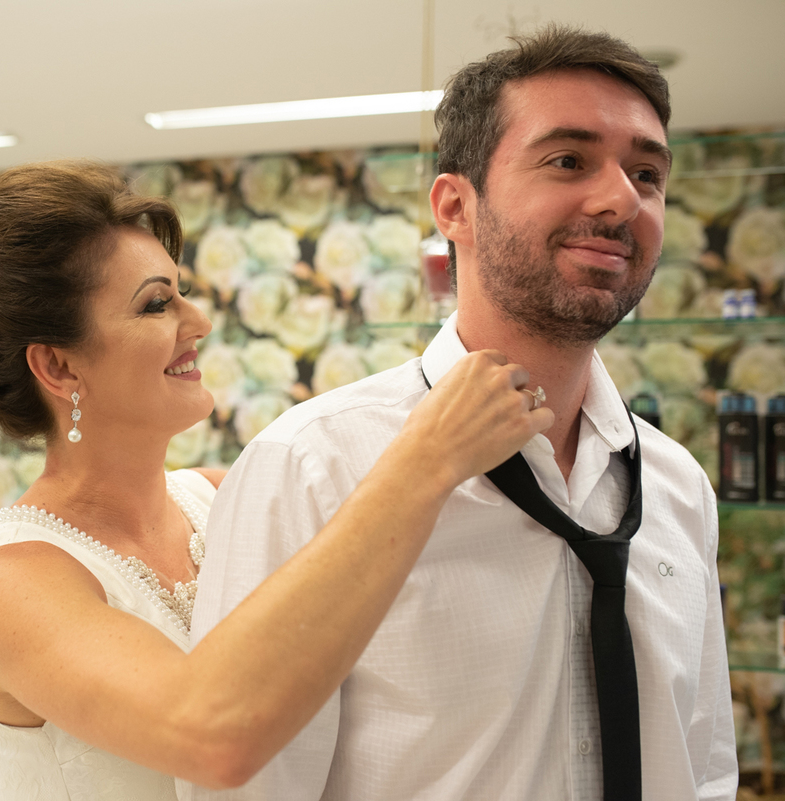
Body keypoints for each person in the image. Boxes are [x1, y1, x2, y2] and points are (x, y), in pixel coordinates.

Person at [187, 25, 737, 801]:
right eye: (568, 160)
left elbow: (704, 764)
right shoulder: (311, 467)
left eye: (647, 173)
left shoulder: (678, 486)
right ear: (455, 206)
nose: (621, 198)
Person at [0, 161, 550, 800]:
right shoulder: (11, 581)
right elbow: (211, 736)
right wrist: (427, 459)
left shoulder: (221, 495)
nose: (199, 321)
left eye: (180, 292)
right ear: (58, 365)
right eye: (156, 303)